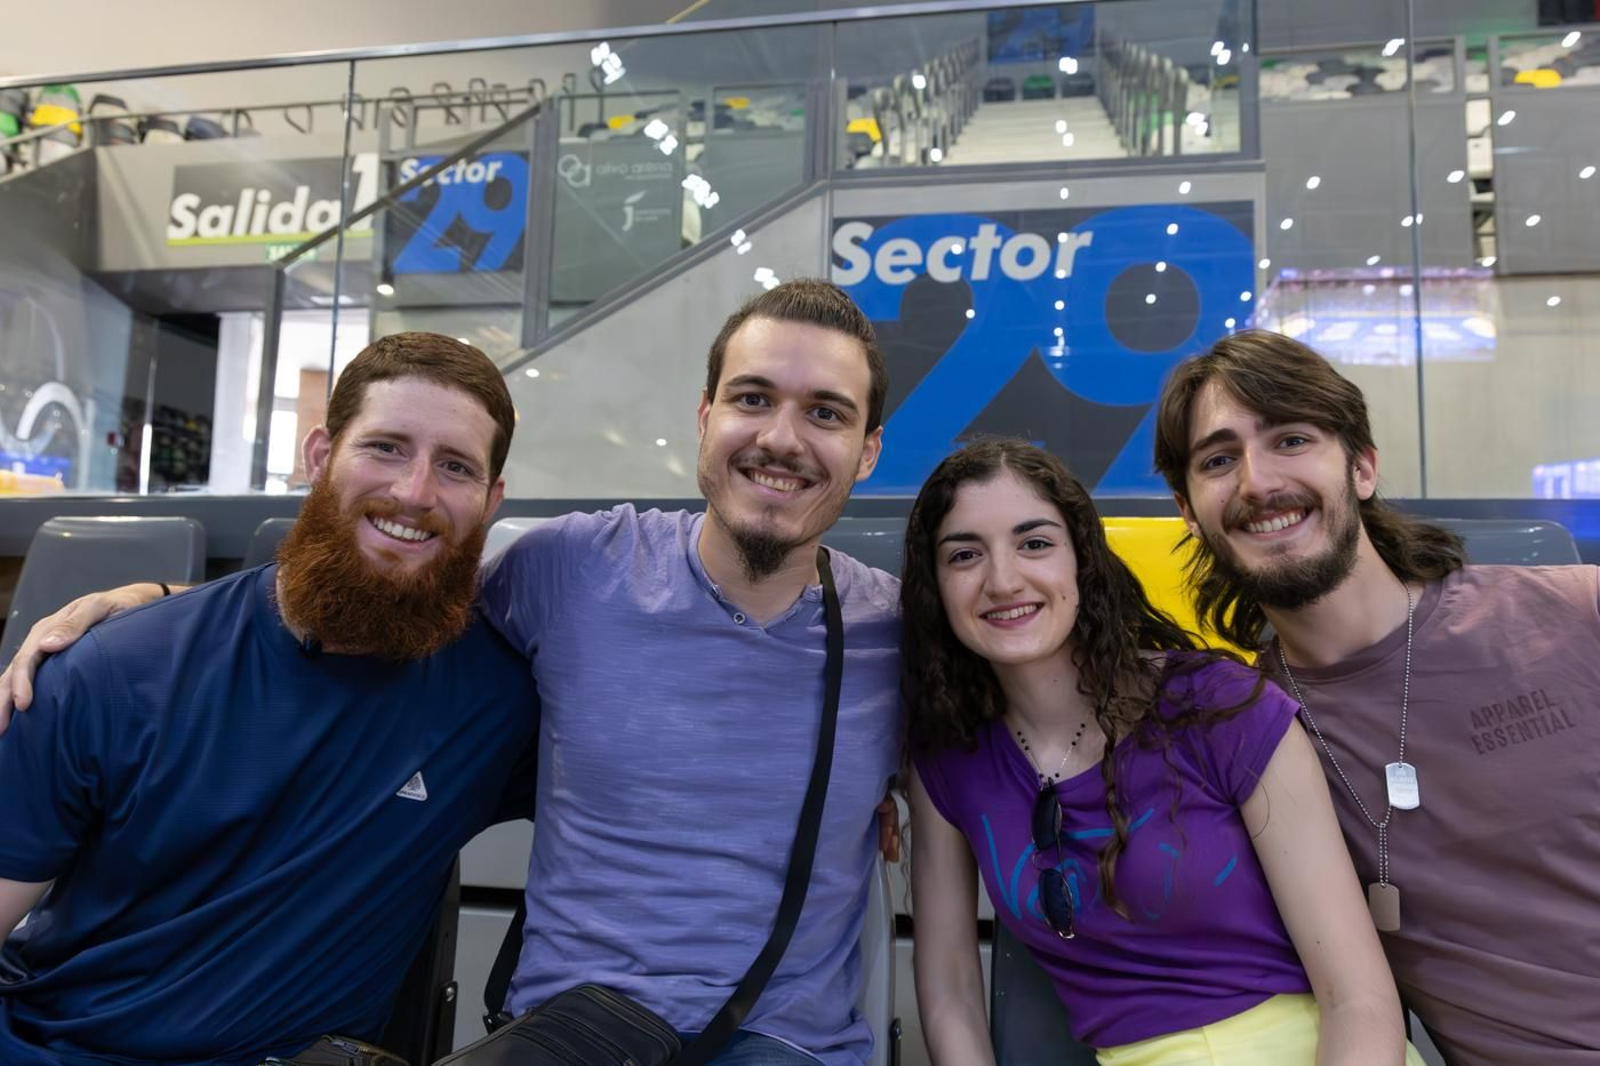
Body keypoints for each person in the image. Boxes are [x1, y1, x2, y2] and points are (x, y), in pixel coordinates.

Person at [0, 281, 903, 1066]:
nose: (416, 494)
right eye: (385, 448)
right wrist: (157, 604)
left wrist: (892, 785)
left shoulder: (900, 638)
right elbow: (338, 593)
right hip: (548, 1032)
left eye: (825, 412)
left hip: (753, 1039)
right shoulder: (566, 573)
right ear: (706, 417)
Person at [0, 332, 539, 1064]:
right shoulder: (111, 669)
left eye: (455, 467)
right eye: (384, 447)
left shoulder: (494, 697)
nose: (415, 492)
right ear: (320, 457)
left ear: (490, 500)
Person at [1151, 329, 1600, 1065]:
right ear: (1188, 510)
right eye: (1220, 459)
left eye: (1291, 439)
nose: (1258, 481)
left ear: (1361, 466)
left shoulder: (1576, 611)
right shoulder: (1244, 733)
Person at [902, 439, 1417, 1066]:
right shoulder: (948, 761)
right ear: (935, 585)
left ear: (1083, 563)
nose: (1004, 580)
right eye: (964, 555)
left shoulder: (1219, 707)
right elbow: (951, 995)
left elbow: (1358, 996)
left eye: (1035, 543)